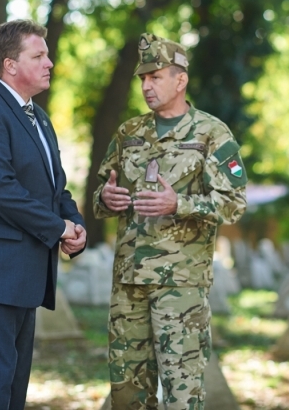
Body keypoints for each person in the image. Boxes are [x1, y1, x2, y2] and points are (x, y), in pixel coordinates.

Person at [94, 33, 248, 410]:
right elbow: (101, 193)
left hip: (181, 287)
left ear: (181, 80)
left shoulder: (212, 134)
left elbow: (234, 203)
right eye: (143, 79)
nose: (146, 86)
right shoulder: (129, 133)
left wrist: (179, 203)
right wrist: (105, 199)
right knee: (126, 394)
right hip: (128, 284)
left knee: (182, 395)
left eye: (155, 77)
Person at [0, 19, 87, 410]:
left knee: (11, 396)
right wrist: (57, 228)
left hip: (23, 279)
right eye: (38, 55)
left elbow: (55, 188)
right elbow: (0, 190)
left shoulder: (38, 117)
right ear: (10, 64)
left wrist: (75, 225)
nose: (50, 63)